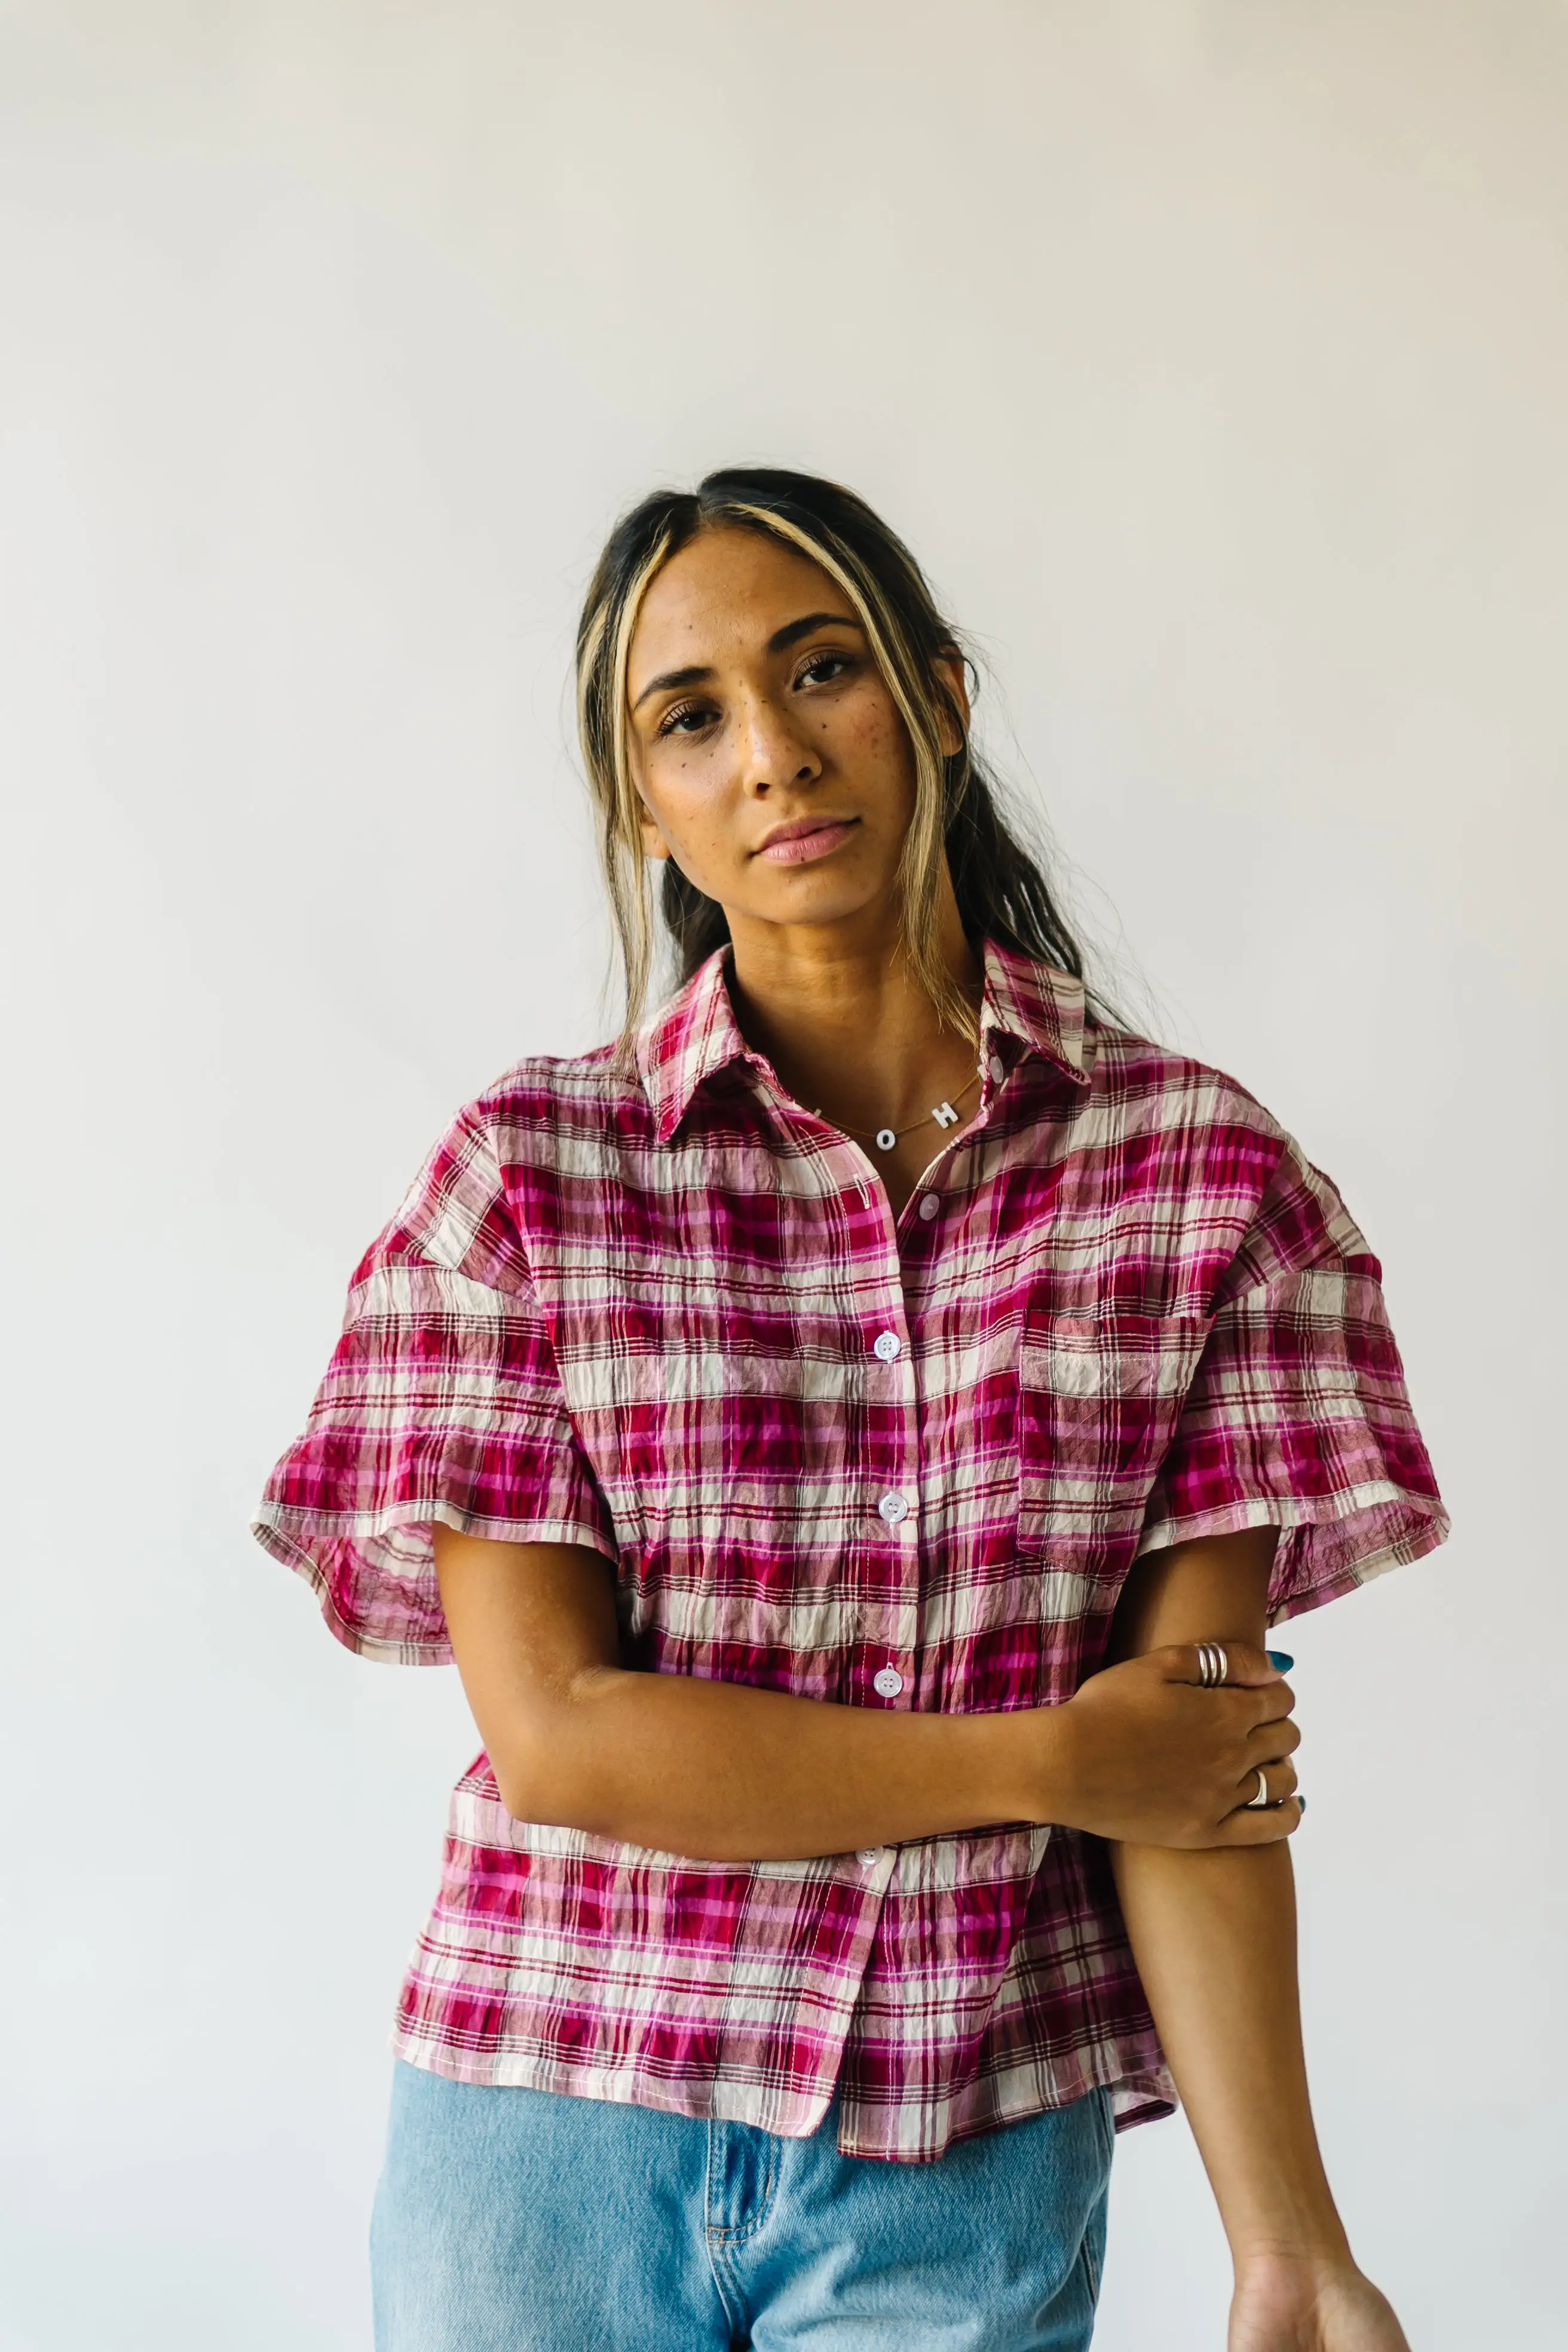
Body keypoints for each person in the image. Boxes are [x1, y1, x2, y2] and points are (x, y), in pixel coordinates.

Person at [253, 467, 1447, 2351]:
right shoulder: (528, 1182)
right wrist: (1043, 1761)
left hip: (959, 2144)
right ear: (643, 797)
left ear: (940, 697)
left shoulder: (1199, 1185)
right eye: (693, 717)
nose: (775, 757)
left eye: (825, 672)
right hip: (552, 2113)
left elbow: (1190, 1773)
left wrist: (1288, 2247)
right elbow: (560, 1738)